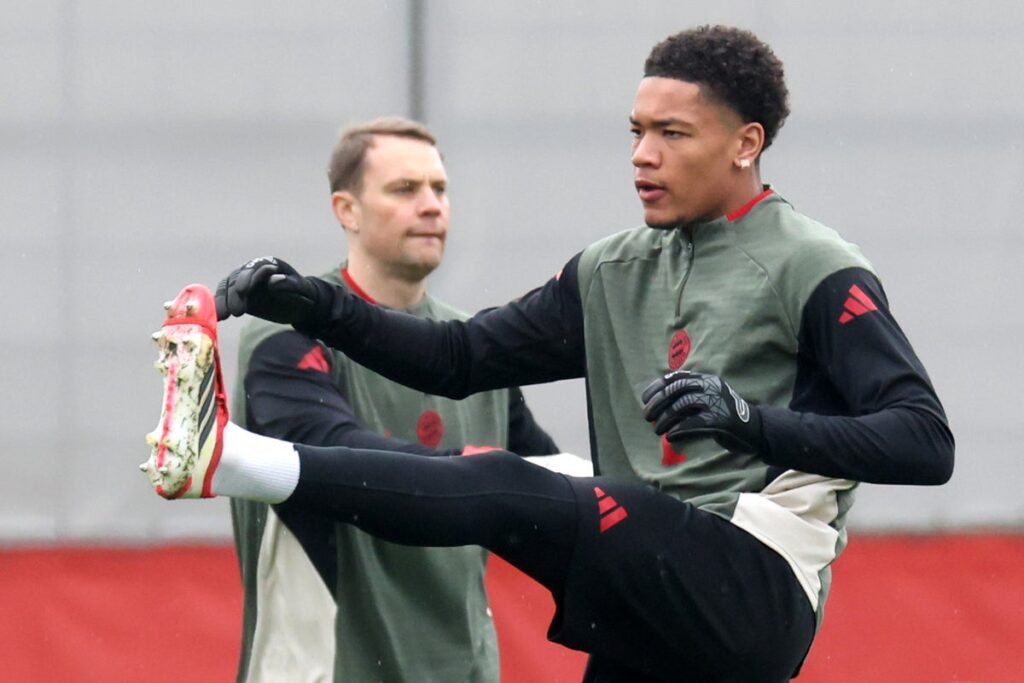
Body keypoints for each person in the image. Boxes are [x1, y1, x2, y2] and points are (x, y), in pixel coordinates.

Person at [143, 25, 954, 682]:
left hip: (753, 583)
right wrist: (320, 306)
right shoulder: (611, 268)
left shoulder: (814, 264)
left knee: (504, 482)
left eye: (672, 133)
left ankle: (234, 459)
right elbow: (459, 356)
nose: (642, 154)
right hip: (648, 581)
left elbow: (924, 439)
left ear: (746, 143)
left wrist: (750, 420)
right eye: (636, 131)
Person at [227, 117, 566, 682]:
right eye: (405, 189)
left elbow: (553, 491)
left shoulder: (474, 351)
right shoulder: (285, 330)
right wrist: (477, 471)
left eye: (440, 189)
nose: (431, 205)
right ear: (347, 210)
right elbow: (325, 449)